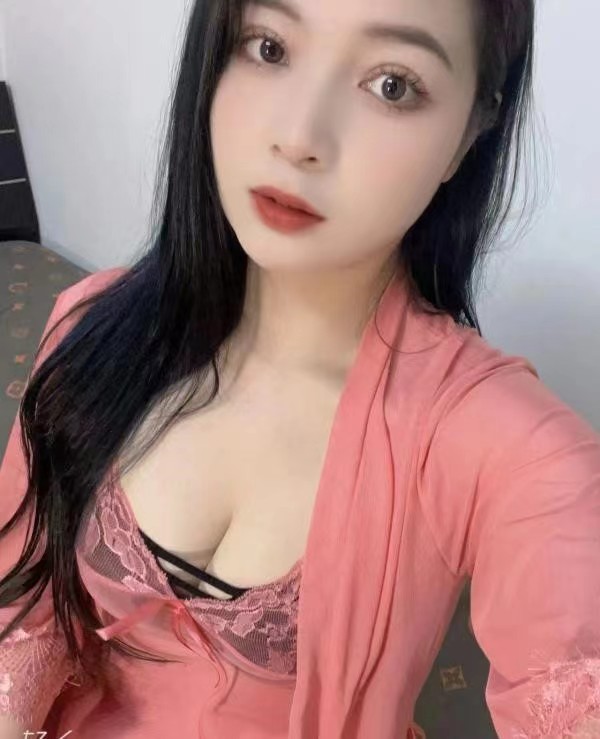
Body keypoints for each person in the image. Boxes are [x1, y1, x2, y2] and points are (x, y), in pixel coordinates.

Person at [1, 0, 599, 737]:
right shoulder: (89, 324)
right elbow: (24, 616)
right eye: (269, 47)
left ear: (469, 133)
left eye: (392, 84)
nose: (298, 137)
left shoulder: (513, 449)